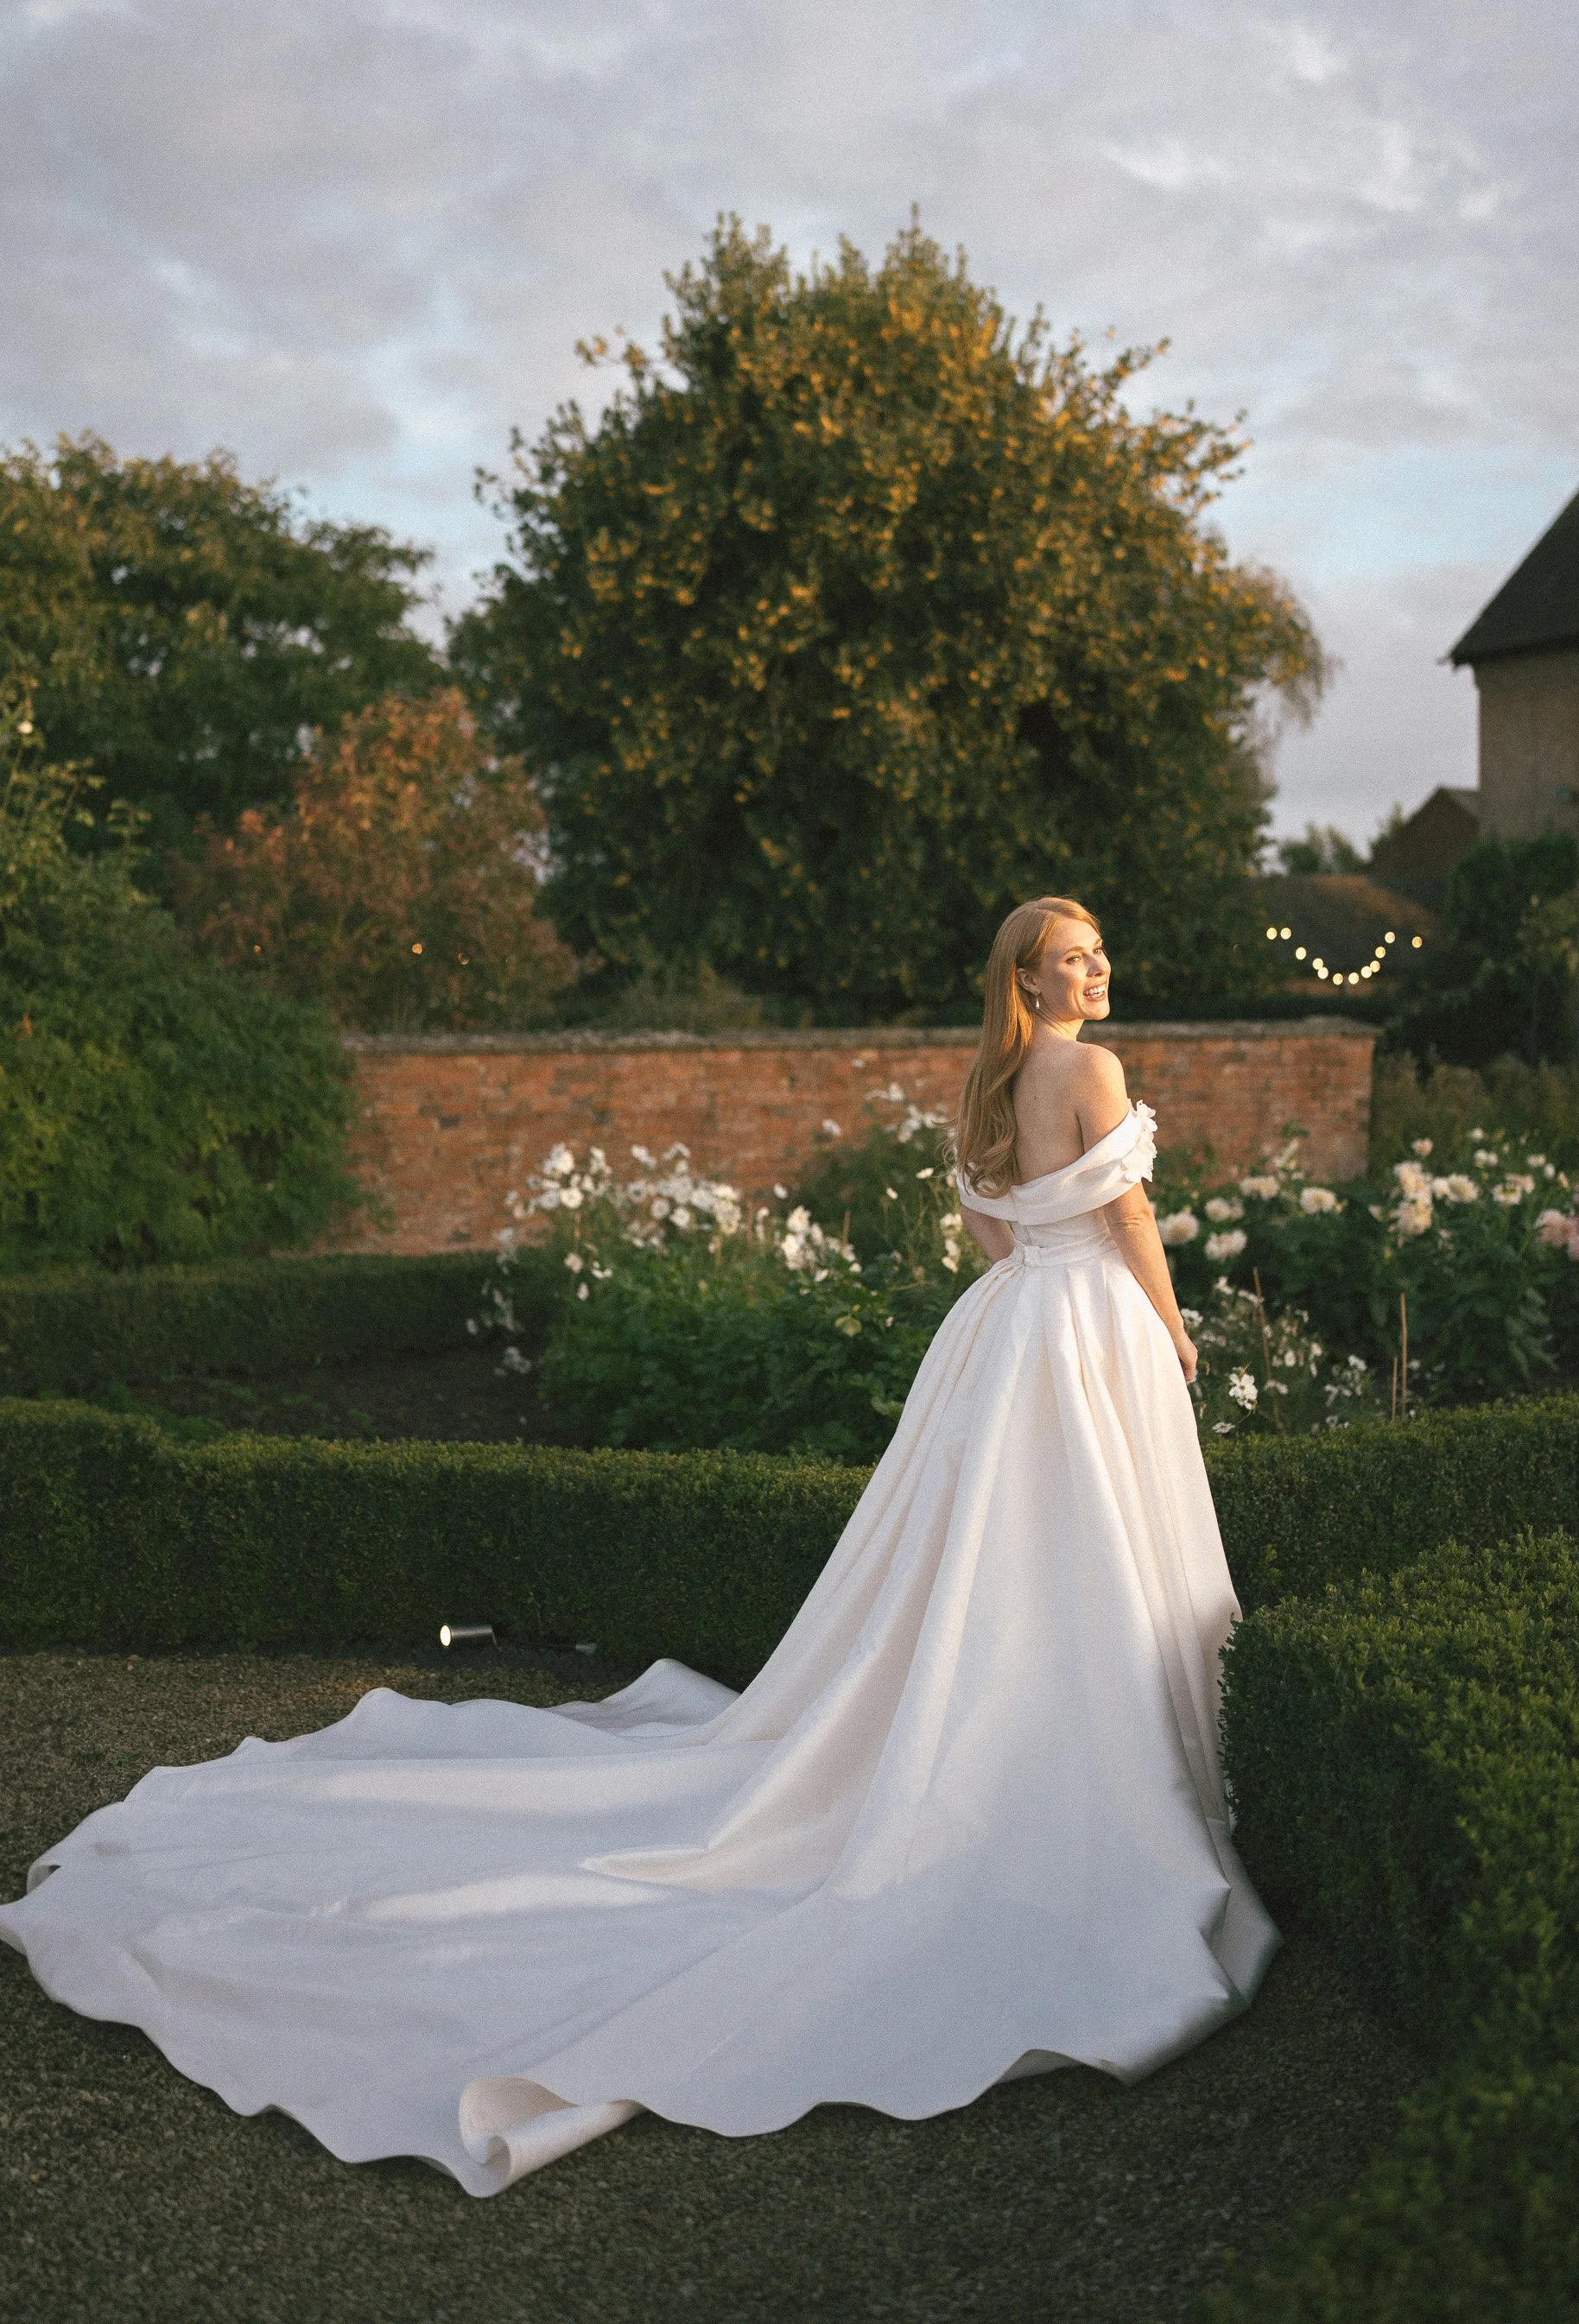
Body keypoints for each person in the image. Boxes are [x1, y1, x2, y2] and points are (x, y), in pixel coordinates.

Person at [0, 896, 1277, 2195]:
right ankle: (1095, 1761)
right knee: (1083, 1547)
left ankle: (1000, 1734)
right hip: (1085, 1326)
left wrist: (1037, 1280)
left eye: (1102, 952)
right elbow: (1125, 1218)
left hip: (1005, 1333)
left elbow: (991, 1233)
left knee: (989, 1559)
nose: (1098, 970)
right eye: (1076, 958)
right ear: (1030, 975)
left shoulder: (993, 1080)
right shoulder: (1090, 1068)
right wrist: (1167, 1330)